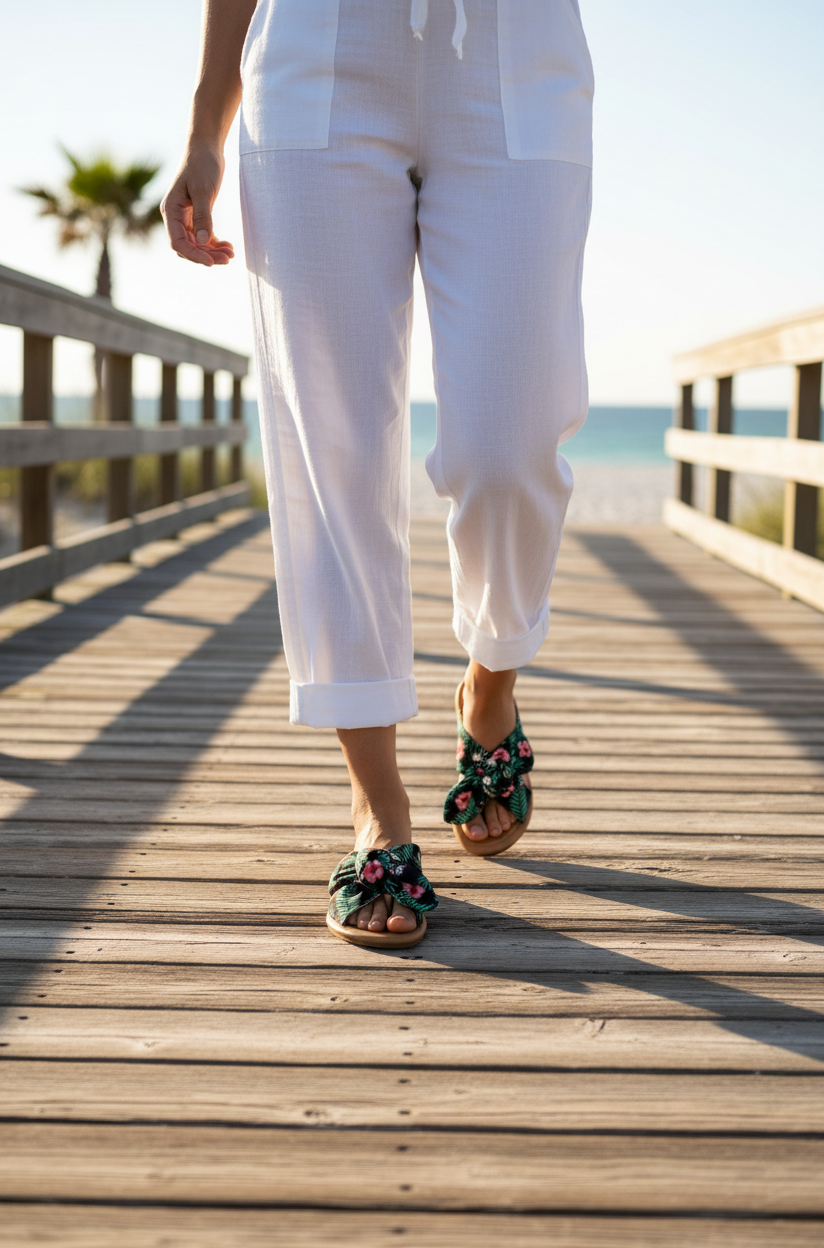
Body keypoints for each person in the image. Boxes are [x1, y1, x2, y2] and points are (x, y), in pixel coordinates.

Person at [163, 0, 593, 948]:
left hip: (516, 61)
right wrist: (206, 126)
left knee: (510, 438)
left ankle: (489, 686)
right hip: (319, 60)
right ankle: (379, 808)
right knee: (332, 447)